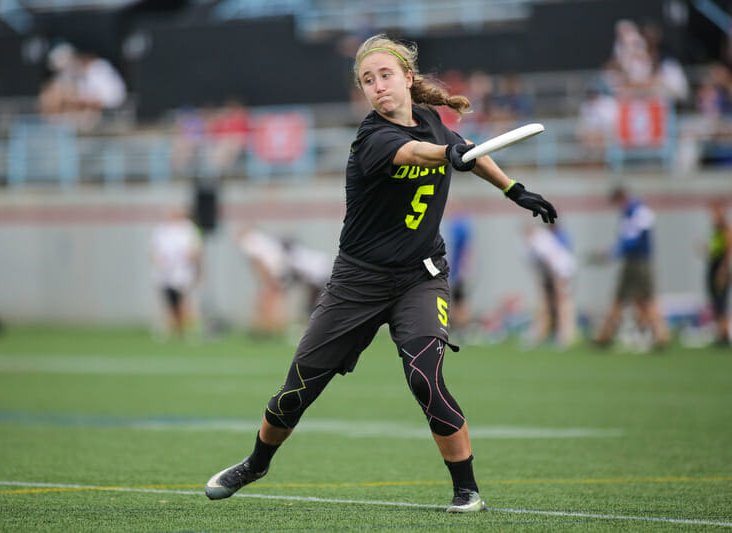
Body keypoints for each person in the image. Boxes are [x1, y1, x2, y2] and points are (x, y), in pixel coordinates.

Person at [204, 34, 557, 513]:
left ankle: (466, 490)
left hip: (420, 276)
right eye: (367, 80)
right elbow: (418, 154)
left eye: (385, 75)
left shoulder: (432, 121)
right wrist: (448, 156)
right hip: (358, 282)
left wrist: (515, 190)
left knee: (424, 379)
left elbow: (467, 150)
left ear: (408, 78)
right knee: (296, 392)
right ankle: (256, 463)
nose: (377, 86)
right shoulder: (373, 138)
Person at [592, 186, 670, 349]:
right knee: (621, 298)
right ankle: (605, 335)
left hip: (640, 261)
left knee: (645, 299)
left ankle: (660, 335)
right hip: (631, 261)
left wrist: (612, 252)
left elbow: (632, 239)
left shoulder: (640, 211)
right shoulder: (629, 213)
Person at [150, 208, 203, 338]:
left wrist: (194, 263)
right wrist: (159, 261)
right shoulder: (161, 230)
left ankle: (182, 328)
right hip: (165, 272)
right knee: (169, 300)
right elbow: (154, 250)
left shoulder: (189, 229)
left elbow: (196, 250)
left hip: (183, 271)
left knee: (182, 300)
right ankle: (171, 327)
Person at [523, 222, 577, 347]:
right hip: (551, 273)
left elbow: (552, 261)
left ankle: (564, 336)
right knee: (546, 303)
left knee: (561, 302)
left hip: (561, 272)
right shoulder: (534, 242)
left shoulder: (540, 241)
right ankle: (542, 333)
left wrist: (556, 280)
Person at [705, 201, 731, 346]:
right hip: (714, 266)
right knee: (716, 301)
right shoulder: (716, 231)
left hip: (720, 268)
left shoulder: (725, 230)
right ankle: (720, 332)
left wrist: (723, 269)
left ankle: (725, 332)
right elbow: (714, 251)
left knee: (721, 301)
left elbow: (727, 251)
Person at [446, 213, 474, 337]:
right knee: (454, 301)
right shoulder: (452, 228)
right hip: (453, 272)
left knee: (460, 302)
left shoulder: (462, 230)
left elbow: (467, 251)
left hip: (459, 273)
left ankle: (464, 330)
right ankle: (458, 328)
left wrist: (465, 269)